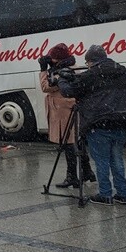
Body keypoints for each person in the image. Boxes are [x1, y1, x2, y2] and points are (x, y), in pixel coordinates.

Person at [59, 44, 126, 206]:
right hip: (122, 121)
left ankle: (105, 194)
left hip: (99, 122)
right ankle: (122, 194)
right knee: (117, 159)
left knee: (101, 160)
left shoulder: (91, 75)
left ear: (90, 61)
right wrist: (121, 99)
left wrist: (62, 80)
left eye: (87, 64)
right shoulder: (123, 72)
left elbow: (68, 91)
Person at [39, 43, 95, 188]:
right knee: (77, 141)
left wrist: (43, 70)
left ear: (57, 59)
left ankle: (72, 176)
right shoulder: (72, 68)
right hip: (69, 108)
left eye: (52, 58)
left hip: (63, 110)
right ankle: (87, 171)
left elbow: (46, 87)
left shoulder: (63, 72)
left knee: (68, 144)